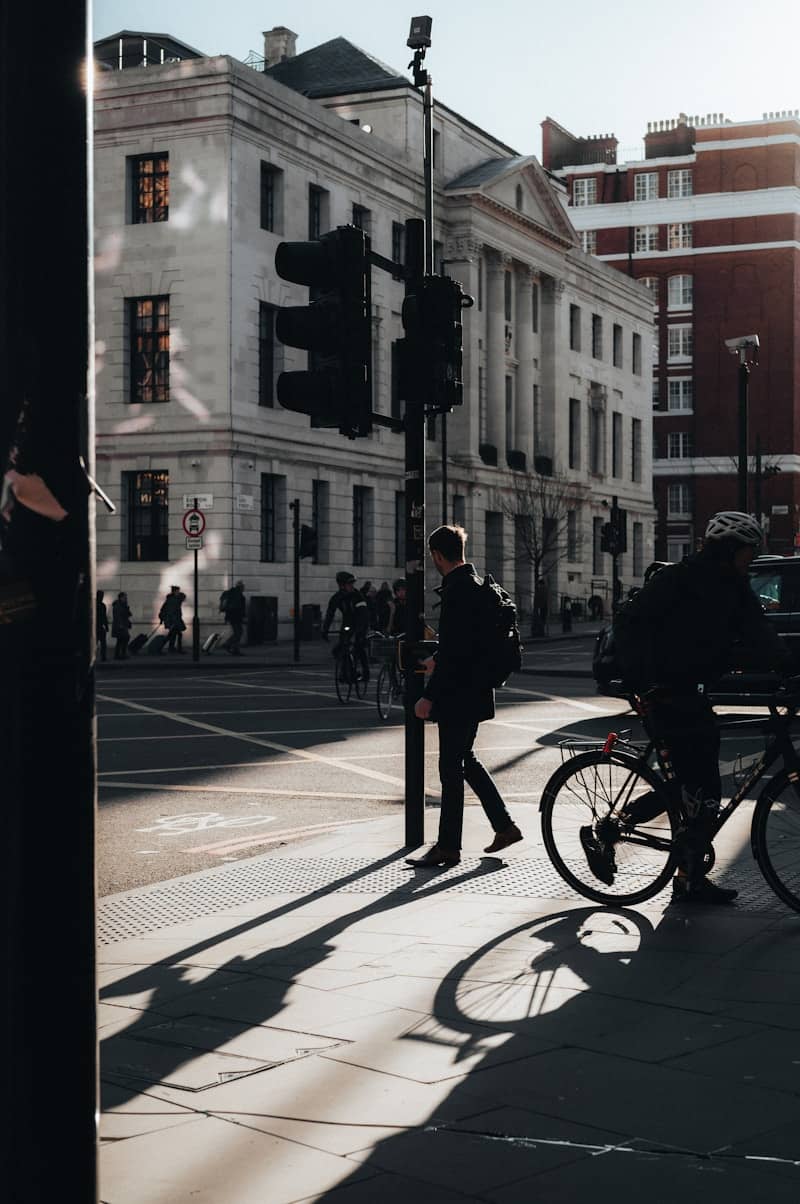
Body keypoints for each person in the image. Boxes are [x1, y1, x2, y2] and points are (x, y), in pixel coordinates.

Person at [603, 512, 791, 905]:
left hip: (693, 690)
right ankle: (617, 828)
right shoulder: (677, 580)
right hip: (663, 691)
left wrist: (787, 667)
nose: (751, 558)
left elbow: (760, 635)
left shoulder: (735, 586)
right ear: (730, 549)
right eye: (748, 551)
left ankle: (688, 876)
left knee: (696, 788)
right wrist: (644, 683)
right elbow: (631, 626)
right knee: (698, 787)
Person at [407, 525, 522, 868]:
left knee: (450, 768)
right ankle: (504, 826)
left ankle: (448, 847)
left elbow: (457, 650)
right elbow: (463, 643)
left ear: (437, 556)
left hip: (459, 694)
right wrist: (437, 659)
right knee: (465, 760)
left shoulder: (457, 591)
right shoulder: (477, 585)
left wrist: (429, 695)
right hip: (477, 690)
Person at [322, 571, 370, 682]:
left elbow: (363, 614)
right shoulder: (337, 598)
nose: (352, 586)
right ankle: (346, 672)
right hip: (347, 624)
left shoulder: (357, 596)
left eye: (352, 584)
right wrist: (325, 630)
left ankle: (365, 673)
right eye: (349, 584)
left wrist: (360, 630)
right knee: (342, 647)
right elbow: (330, 614)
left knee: (359, 646)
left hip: (360, 623)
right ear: (341, 585)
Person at [220, 580, 246, 654]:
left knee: (238, 632)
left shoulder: (231, 593)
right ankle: (230, 646)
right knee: (239, 632)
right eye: (243, 586)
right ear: (240, 587)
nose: (244, 588)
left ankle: (231, 646)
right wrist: (243, 616)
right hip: (236, 617)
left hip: (231, 616)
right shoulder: (239, 595)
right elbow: (239, 607)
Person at [159, 584, 186, 653]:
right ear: (174, 592)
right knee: (175, 635)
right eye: (177, 591)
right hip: (173, 620)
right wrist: (173, 622)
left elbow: (183, 596)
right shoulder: (172, 600)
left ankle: (171, 648)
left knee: (173, 635)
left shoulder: (173, 599)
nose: (178, 592)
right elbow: (171, 611)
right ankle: (174, 649)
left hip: (174, 620)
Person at [111, 591, 132, 660]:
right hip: (120, 625)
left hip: (123, 624)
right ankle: (120, 654)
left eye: (126, 597)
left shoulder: (124, 605)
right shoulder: (117, 605)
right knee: (123, 639)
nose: (126, 599)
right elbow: (117, 616)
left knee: (122, 640)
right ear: (121, 598)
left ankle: (120, 654)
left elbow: (128, 614)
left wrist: (127, 608)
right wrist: (120, 625)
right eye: (124, 597)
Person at [96, 590, 109, 662]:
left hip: (100, 626)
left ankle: (103, 657)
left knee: (103, 643)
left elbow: (104, 617)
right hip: (98, 626)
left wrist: (106, 626)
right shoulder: (101, 605)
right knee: (102, 643)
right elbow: (104, 617)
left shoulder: (102, 605)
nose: (102, 597)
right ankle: (103, 657)